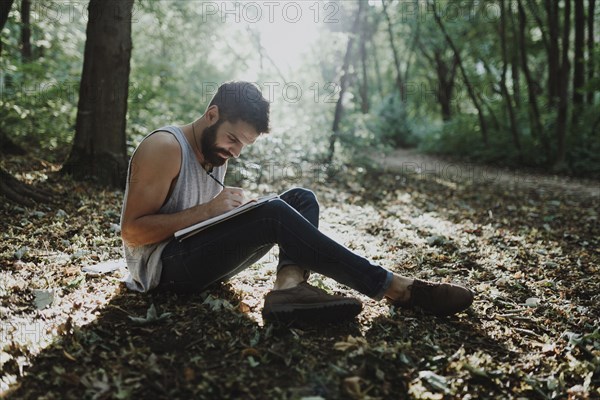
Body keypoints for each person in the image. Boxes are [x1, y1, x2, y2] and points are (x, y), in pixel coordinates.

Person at [120, 81, 474, 323]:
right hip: (162, 272)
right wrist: (211, 210)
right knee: (273, 213)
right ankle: (397, 289)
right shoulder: (165, 147)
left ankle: (288, 289)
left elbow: (199, 225)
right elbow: (133, 232)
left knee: (300, 199)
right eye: (232, 139)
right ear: (211, 114)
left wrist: (235, 214)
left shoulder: (215, 149)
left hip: (193, 256)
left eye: (244, 145)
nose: (235, 152)